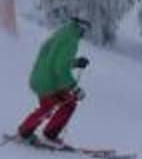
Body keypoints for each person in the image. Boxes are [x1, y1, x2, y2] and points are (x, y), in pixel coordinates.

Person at [16, 15, 90, 145]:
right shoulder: (71, 40)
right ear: (81, 26)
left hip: (41, 77)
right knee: (63, 104)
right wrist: (74, 87)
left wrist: (75, 62)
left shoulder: (63, 32)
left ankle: (31, 132)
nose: (85, 32)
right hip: (49, 82)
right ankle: (34, 133)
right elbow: (59, 68)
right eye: (86, 28)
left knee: (53, 105)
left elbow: (56, 60)